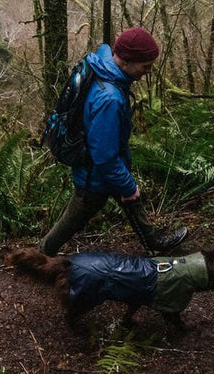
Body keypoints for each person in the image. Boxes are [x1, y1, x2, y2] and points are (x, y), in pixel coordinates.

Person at [41, 27, 188, 256]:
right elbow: (105, 157)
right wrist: (127, 186)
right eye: (145, 66)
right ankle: (41, 254)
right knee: (73, 220)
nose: (147, 72)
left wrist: (127, 186)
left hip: (102, 168)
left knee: (131, 199)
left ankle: (154, 244)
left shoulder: (104, 64)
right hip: (95, 177)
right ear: (127, 61)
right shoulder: (109, 98)